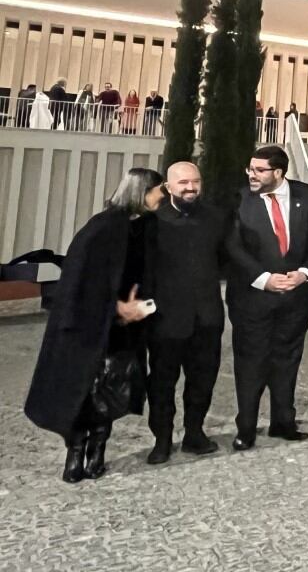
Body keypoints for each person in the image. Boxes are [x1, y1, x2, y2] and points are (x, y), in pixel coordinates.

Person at [25, 168, 164, 483]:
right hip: (88, 328)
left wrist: (142, 307)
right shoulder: (102, 228)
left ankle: (97, 450)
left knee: (111, 390)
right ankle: (75, 451)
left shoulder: (148, 227)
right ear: (142, 192)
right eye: (159, 191)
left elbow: (152, 275)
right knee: (83, 390)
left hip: (125, 328)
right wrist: (115, 307)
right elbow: (78, 281)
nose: (162, 197)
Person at [224, 145, 308, 449]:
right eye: (250, 169)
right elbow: (232, 246)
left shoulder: (307, 196)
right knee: (251, 363)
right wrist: (264, 279)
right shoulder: (239, 200)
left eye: (259, 170)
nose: (251, 175)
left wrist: (305, 273)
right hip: (252, 298)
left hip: (296, 298)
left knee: (288, 360)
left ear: (279, 172)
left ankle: (283, 423)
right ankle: (246, 428)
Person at [143, 162, 227, 464]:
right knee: (161, 384)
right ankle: (162, 440)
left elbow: (225, 260)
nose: (190, 188)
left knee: (203, 380)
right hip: (165, 320)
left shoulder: (215, 217)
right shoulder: (153, 222)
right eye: (183, 183)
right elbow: (144, 271)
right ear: (168, 187)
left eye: (195, 181)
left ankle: (194, 433)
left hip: (207, 317)